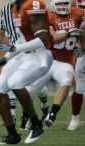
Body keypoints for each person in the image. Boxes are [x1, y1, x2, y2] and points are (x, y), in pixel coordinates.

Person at [0, 0, 53, 144]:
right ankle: (13, 135)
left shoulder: (34, 4)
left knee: (15, 82)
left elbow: (43, 40)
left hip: (40, 55)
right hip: (22, 55)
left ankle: (36, 124)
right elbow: (18, 43)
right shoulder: (14, 9)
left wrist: (13, 49)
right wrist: (5, 58)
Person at [27, 0, 85, 128]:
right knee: (31, 90)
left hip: (67, 61)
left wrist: (81, 45)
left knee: (66, 81)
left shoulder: (77, 13)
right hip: (48, 60)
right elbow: (52, 38)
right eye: (59, 4)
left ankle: (51, 115)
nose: (63, 6)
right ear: (53, 5)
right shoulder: (48, 16)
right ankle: (28, 117)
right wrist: (69, 33)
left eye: (65, 3)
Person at [67, 0, 85, 131]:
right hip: (82, 54)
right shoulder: (73, 13)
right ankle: (75, 118)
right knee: (79, 87)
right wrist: (76, 47)